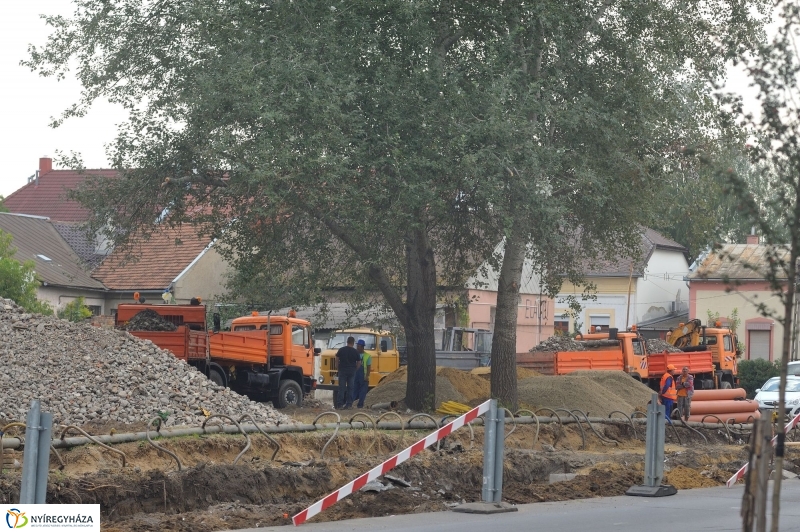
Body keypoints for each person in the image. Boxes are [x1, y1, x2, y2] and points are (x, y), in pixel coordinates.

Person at [335, 336, 360, 409]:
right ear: (353, 343)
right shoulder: (355, 352)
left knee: (341, 388)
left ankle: (340, 405)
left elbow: (336, 358)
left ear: (347, 342)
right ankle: (349, 405)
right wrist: (355, 369)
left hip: (342, 370)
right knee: (350, 388)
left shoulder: (341, 350)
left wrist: (337, 367)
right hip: (352, 371)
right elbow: (359, 362)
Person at [354, 339, 372, 408]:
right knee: (354, 390)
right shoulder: (355, 354)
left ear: (362, 347)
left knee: (363, 391)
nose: (357, 347)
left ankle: (360, 405)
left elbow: (368, 367)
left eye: (359, 346)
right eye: (357, 346)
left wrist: (367, 376)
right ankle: (352, 404)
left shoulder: (367, 356)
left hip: (363, 376)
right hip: (355, 375)